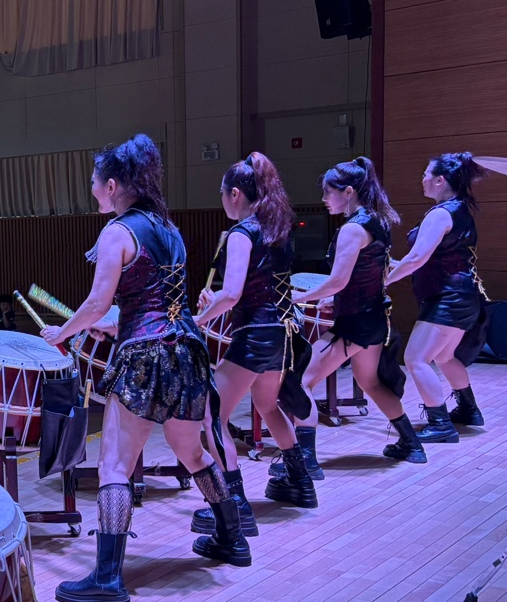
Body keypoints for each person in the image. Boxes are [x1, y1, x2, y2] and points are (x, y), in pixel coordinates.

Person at [40, 135, 250, 602]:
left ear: (113, 185)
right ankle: (232, 538)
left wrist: (65, 334)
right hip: (186, 352)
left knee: (115, 464)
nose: (92, 190)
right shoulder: (167, 228)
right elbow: (156, 305)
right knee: (191, 452)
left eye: (94, 183)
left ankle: (108, 578)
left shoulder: (117, 233)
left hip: (143, 357)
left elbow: (97, 303)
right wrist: (97, 325)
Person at [268, 158, 426, 482]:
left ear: (348, 192)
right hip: (374, 319)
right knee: (370, 382)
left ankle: (306, 461)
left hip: (354, 324)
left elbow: (340, 280)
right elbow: (365, 277)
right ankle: (412, 443)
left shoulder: (353, 229)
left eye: (328, 192)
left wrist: (296, 298)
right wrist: (332, 297)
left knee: (300, 382)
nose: (324, 199)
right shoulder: (376, 222)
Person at [194, 152, 314, 527]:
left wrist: (198, 319)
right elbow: (252, 288)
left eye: (221, 194)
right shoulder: (278, 228)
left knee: (212, 417)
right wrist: (217, 301)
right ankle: (300, 482)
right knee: (267, 405)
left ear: (234, 194)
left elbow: (231, 294)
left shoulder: (241, 233)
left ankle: (236, 505)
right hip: (281, 333)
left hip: (254, 335)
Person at [387, 152, 488, 442]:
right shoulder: (457, 209)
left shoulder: (441, 214)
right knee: (444, 356)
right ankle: (469, 410)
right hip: (463, 296)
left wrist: (384, 281)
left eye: (426, 174)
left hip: (449, 298)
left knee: (415, 358)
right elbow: (428, 258)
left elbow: (417, 258)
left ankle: (440, 423)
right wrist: (390, 268)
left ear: (440, 180)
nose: (423, 179)